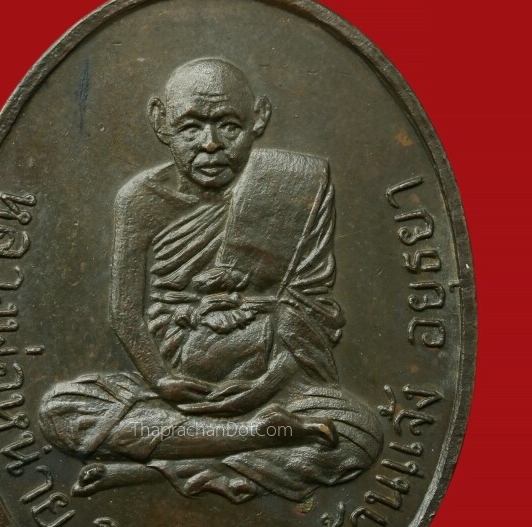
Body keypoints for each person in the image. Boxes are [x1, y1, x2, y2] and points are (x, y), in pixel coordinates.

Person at [40, 59, 381, 503]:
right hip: (176, 383)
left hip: (267, 378)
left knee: (358, 435)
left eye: (229, 126)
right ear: (160, 122)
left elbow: (311, 308)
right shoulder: (139, 199)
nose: (211, 144)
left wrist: (260, 374)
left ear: (259, 118)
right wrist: (161, 380)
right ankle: (251, 436)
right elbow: (124, 312)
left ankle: (168, 464)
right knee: (63, 411)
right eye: (190, 128)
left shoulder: (296, 185)